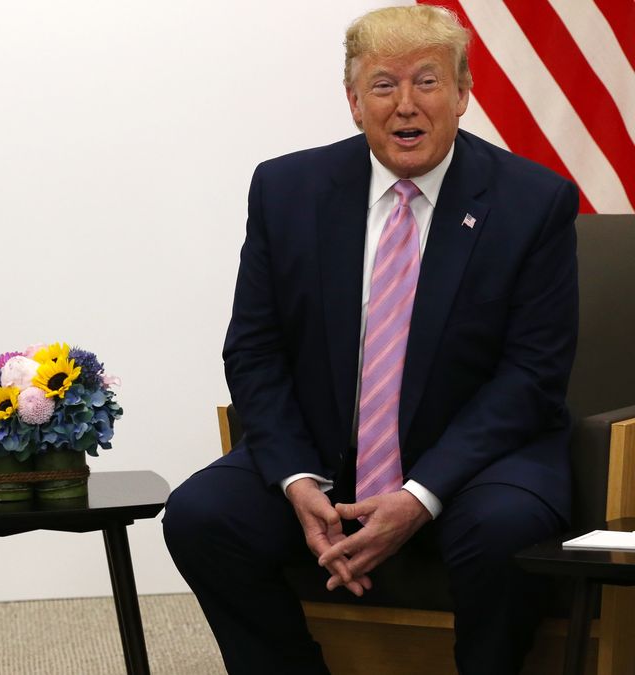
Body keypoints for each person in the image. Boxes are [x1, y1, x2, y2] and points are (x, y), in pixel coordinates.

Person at [162, 6, 577, 674]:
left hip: (475, 463)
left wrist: (420, 495)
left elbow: (532, 375)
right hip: (329, 454)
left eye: (427, 81)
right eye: (383, 85)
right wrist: (297, 478)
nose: (405, 104)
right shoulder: (286, 189)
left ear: (464, 94)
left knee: (507, 529)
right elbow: (254, 349)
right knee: (199, 516)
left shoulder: (535, 202)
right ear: (354, 102)